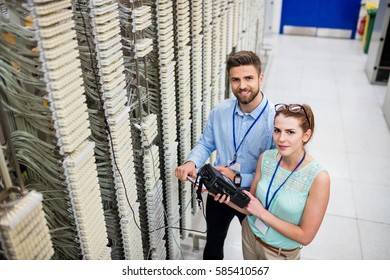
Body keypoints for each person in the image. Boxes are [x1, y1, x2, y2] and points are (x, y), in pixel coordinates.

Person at [175, 50, 275, 260]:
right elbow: (206, 143)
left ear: (260, 78)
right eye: (235, 80)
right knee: (213, 243)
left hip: (255, 196)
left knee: (257, 249)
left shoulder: (274, 121)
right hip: (219, 191)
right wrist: (191, 162)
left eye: (248, 78)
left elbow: (275, 171)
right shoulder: (220, 111)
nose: (242, 86)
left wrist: (237, 177)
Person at [214, 103, 330, 260]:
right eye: (277, 131)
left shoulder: (318, 178)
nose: (281, 139)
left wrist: (262, 213)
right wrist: (223, 197)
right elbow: (250, 206)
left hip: (279, 254)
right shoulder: (266, 158)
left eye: (290, 132)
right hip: (250, 238)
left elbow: (305, 237)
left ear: (306, 135)